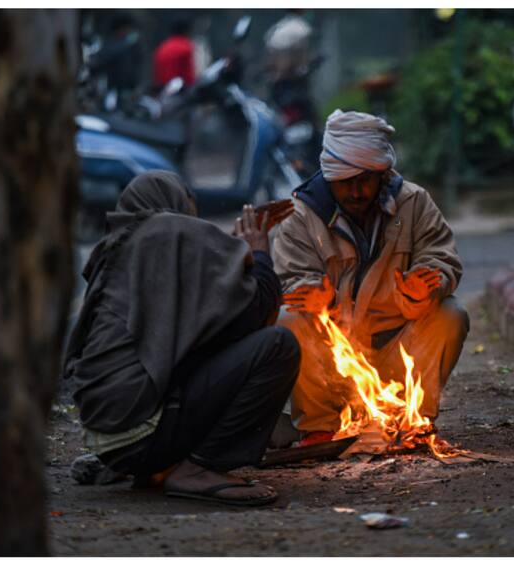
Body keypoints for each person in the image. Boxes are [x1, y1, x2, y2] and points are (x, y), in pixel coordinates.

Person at [63, 170, 299, 505]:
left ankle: (155, 465)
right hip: (140, 434)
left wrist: (229, 250)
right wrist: (258, 252)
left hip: (109, 441)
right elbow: (258, 309)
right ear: (175, 201)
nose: (194, 217)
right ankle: (199, 469)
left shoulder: (121, 246)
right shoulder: (168, 231)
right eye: (190, 206)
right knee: (278, 346)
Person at [272, 109, 469, 446]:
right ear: (329, 176)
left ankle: (412, 422)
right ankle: (320, 428)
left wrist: (428, 286)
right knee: (288, 318)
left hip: (397, 354)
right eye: (345, 181)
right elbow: (290, 280)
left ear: (383, 173)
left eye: (365, 179)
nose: (357, 192)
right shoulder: (299, 216)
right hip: (333, 366)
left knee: (450, 315)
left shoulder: (414, 203)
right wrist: (318, 298)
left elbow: (441, 257)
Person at [153, 19, 197, 90]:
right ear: (186, 31)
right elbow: (188, 75)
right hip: (179, 90)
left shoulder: (163, 46)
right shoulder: (186, 47)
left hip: (162, 88)